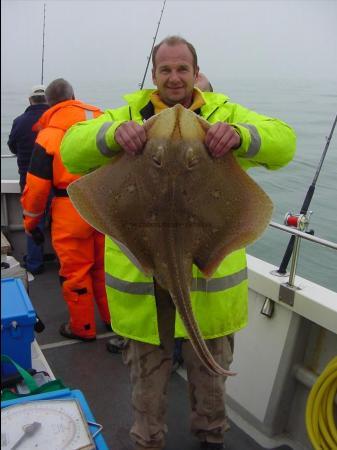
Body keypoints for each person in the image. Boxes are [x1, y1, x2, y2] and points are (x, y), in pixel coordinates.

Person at [60, 36, 296, 450]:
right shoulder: (127, 115)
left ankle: (211, 439)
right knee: (146, 398)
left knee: (211, 395)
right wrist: (114, 135)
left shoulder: (225, 113)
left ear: (195, 73)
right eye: (165, 69)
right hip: (142, 288)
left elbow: (284, 143)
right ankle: (148, 441)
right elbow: (71, 149)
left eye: (182, 68)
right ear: (154, 75)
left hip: (209, 290)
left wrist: (239, 137)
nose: (174, 77)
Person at [21, 78, 111, 341]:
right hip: (102, 206)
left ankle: (83, 328)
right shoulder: (103, 120)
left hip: (70, 209)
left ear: (50, 103)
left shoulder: (48, 134)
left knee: (76, 273)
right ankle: (113, 320)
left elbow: (36, 188)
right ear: (75, 95)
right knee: (104, 270)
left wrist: (30, 224)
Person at [7, 85, 49, 274]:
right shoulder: (55, 120)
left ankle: (34, 263)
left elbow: (12, 147)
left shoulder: (19, 121)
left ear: (30, 100)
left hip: (30, 182)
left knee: (34, 224)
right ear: (46, 100)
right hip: (57, 183)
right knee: (61, 224)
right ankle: (65, 261)